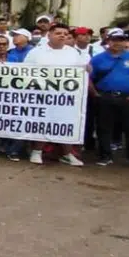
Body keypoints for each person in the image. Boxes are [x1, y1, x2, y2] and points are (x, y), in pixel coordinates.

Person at [22, 23, 86, 166]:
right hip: (42, 95)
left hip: (66, 97)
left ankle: (67, 154)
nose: (62, 36)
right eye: (58, 33)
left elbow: (82, 71)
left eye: (65, 33)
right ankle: (37, 151)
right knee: (42, 123)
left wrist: (87, 68)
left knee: (64, 124)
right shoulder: (36, 52)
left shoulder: (73, 52)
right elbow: (26, 71)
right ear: (49, 35)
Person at [89, 29, 129, 170]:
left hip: (126, 97)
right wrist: (95, 94)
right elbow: (89, 78)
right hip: (105, 96)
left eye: (121, 40)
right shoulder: (98, 58)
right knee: (104, 127)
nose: (117, 43)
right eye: (114, 40)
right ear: (108, 41)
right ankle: (105, 156)